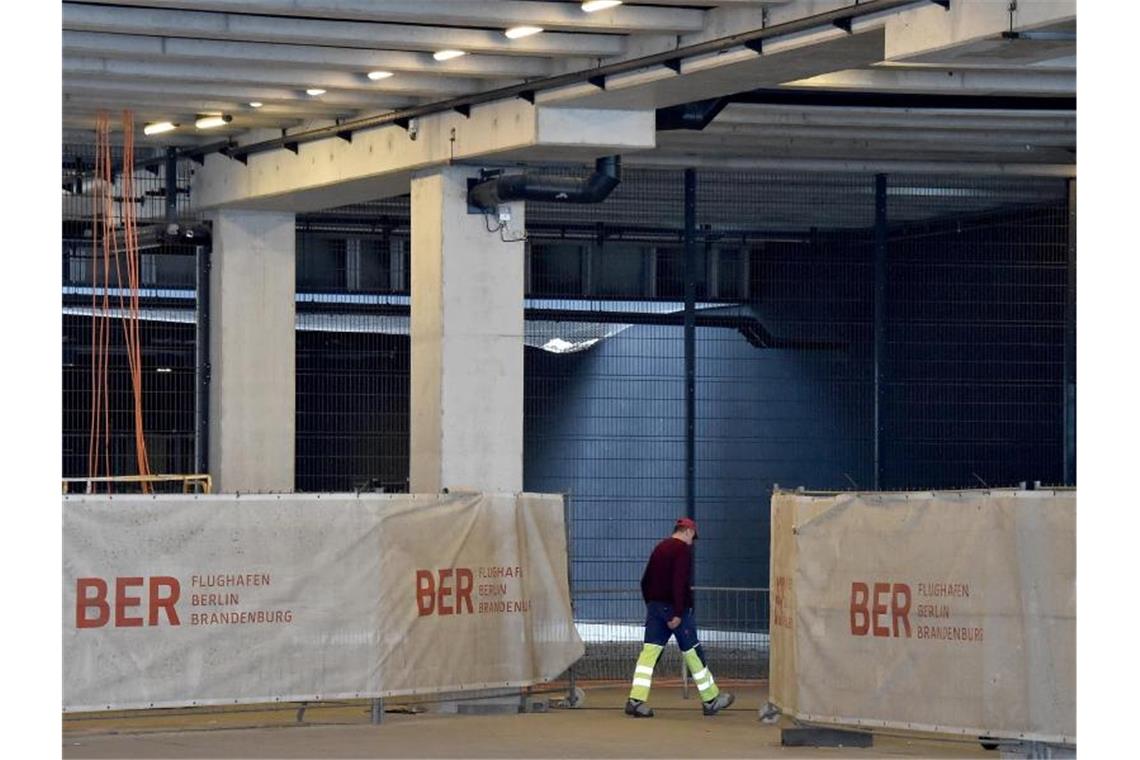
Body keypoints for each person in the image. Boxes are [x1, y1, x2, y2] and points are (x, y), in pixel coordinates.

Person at [625, 517, 734, 718]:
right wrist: (677, 612)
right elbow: (679, 582)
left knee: (648, 655)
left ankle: (635, 700)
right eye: (693, 536)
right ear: (688, 531)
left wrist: (652, 605)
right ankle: (710, 700)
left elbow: (645, 581)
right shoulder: (681, 550)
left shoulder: (659, 547)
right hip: (676, 611)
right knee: (693, 653)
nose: (693, 541)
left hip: (655, 608)